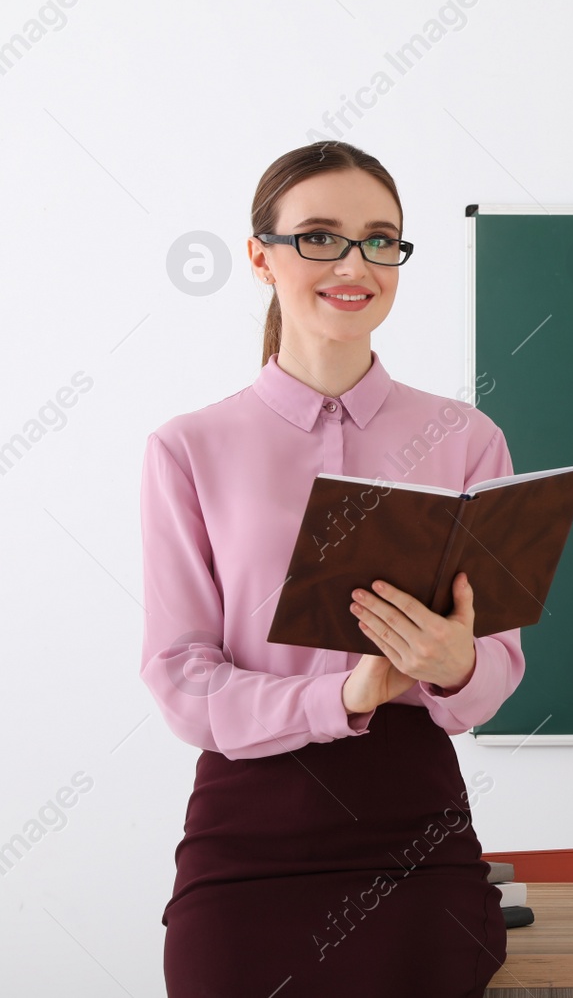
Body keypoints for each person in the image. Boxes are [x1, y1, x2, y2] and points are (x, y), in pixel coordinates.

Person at [140, 140, 519, 996]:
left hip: (413, 828)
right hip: (245, 837)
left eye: (380, 239)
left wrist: (453, 663)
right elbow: (179, 676)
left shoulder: (468, 440)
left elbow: (497, 664)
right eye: (320, 236)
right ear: (260, 256)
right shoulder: (190, 447)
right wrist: (339, 695)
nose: (356, 263)